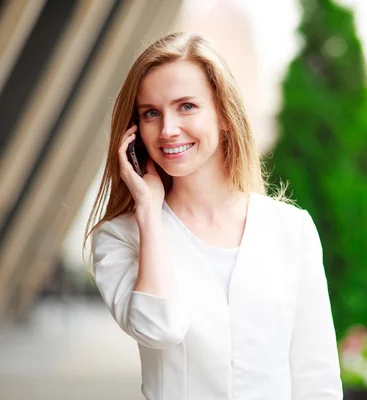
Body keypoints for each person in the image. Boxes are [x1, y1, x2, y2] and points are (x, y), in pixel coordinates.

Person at [84, 32, 343, 399]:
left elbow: (317, 378)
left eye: (186, 106)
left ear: (223, 114)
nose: (168, 129)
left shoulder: (290, 230)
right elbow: (158, 328)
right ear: (135, 130)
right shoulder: (120, 237)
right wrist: (148, 212)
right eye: (151, 113)